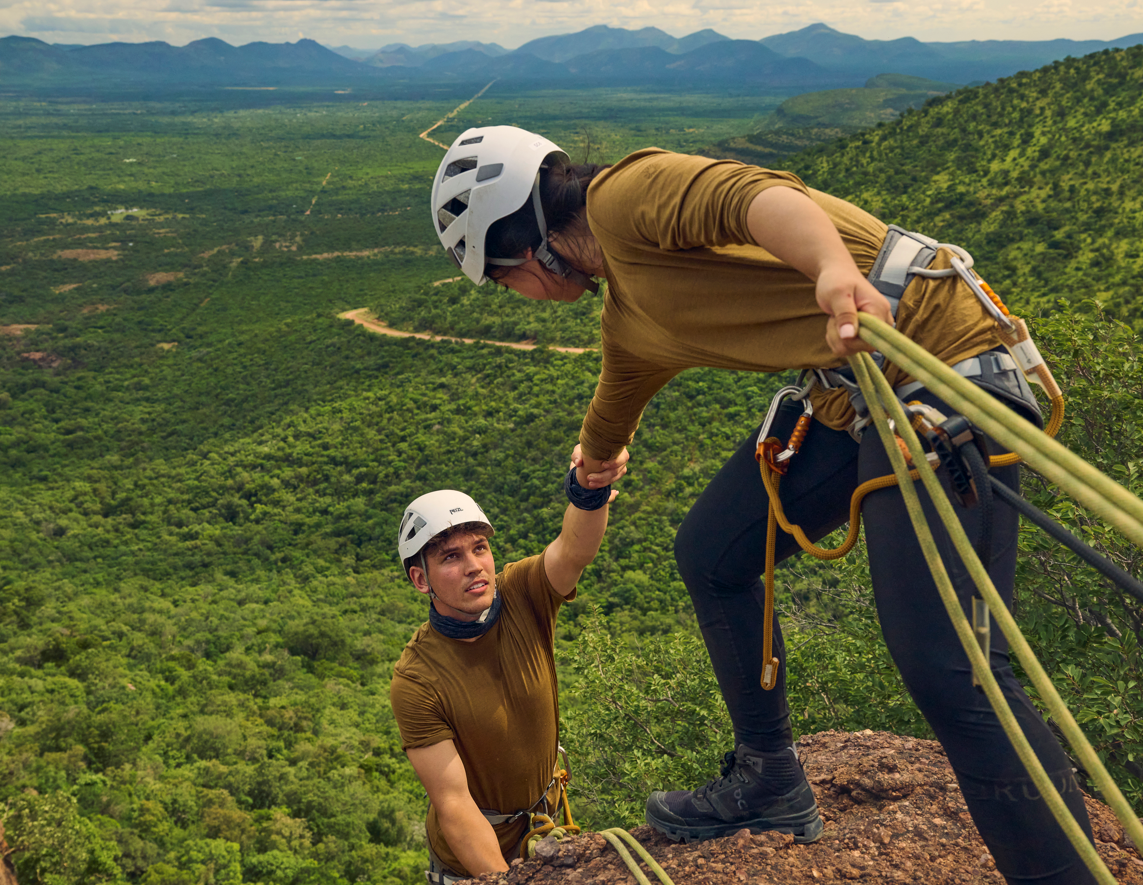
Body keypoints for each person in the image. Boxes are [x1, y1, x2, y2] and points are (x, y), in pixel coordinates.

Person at [426, 126, 1097, 885]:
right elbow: (608, 417)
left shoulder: (622, 196)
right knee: (711, 554)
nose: (514, 294)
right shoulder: (629, 317)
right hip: (855, 401)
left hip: (941, 363)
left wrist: (832, 270)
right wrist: (588, 476)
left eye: (501, 277)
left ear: (525, 248)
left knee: (951, 667)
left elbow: (756, 199)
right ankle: (769, 777)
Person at [389, 462, 617, 883]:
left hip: (546, 832)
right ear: (421, 579)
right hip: (473, 860)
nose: (474, 565)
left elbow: (573, 549)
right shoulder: (416, 679)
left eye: (479, 548)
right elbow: (454, 805)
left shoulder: (521, 594)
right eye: (451, 558)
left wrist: (589, 488)